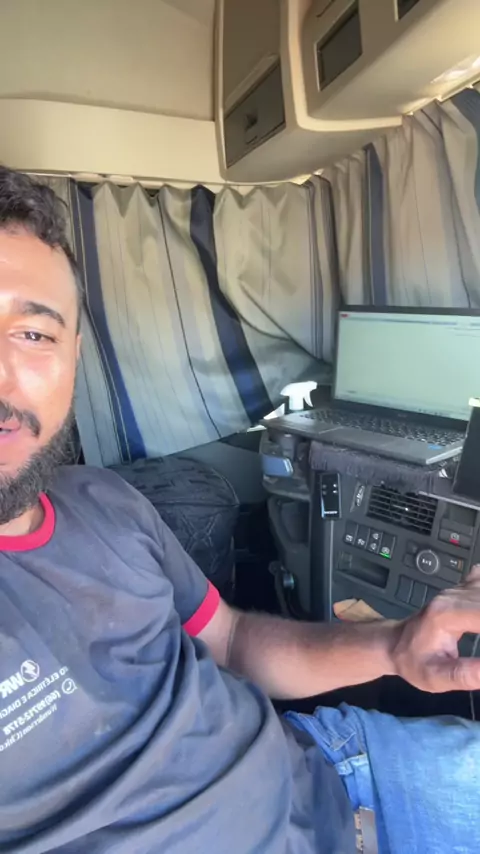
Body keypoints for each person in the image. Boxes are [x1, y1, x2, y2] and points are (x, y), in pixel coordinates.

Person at [0, 166, 478, 854]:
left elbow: (230, 641)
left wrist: (393, 647)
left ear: (75, 355)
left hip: (323, 766)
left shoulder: (104, 501)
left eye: (34, 335)